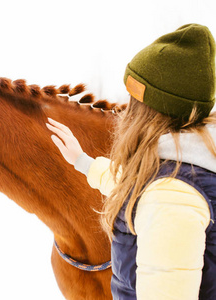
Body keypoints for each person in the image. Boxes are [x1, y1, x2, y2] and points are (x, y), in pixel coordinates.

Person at [47, 24, 216, 299]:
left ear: (151, 110)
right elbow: (135, 186)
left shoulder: (170, 198)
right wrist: (83, 162)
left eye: (134, 99)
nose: (126, 108)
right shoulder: (185, 162)